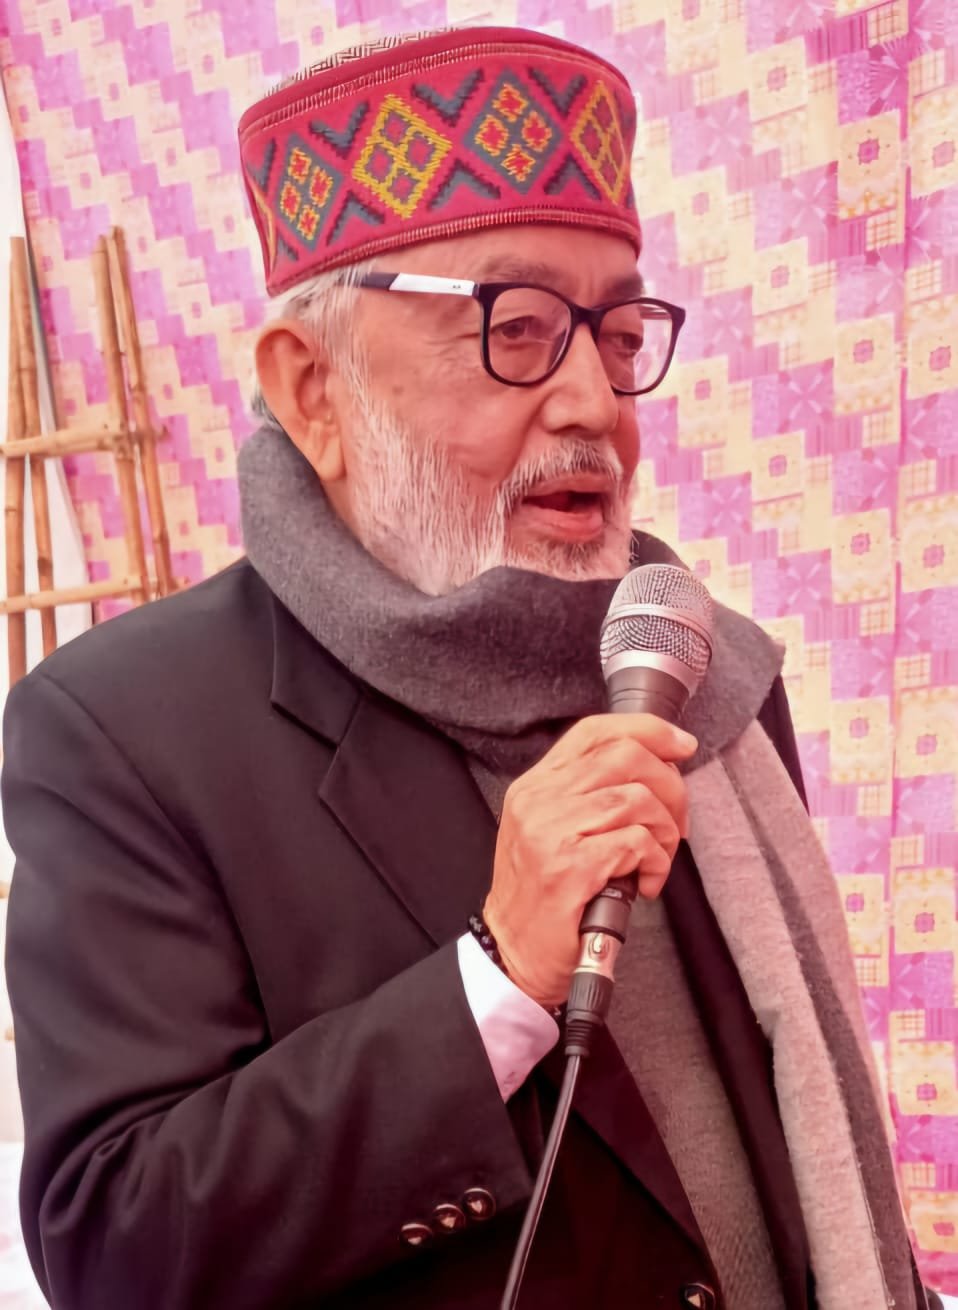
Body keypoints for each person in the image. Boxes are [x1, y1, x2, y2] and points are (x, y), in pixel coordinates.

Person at [2, 25, 938, 1310]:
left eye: (617, 334)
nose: (593, 404)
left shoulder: (698, 668)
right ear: (313, 390)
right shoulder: (125, 730)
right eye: (517, 326)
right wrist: (491, 982)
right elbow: (115, 1244)